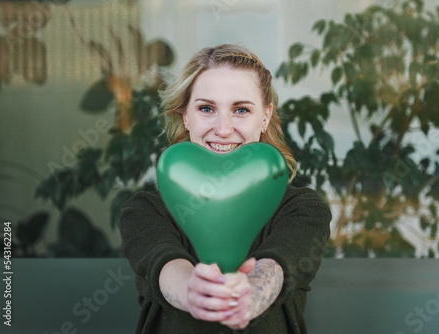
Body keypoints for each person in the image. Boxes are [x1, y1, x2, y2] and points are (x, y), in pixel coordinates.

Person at [120, 44, 331, 333]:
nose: (223, 129)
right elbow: (165, 266)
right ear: (185, 116)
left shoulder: (303, 208)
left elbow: (280, 265)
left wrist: (250, 294)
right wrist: (193, 291)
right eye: (206, 108)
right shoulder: (145, 209)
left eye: (241, 109)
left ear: (266, 116)